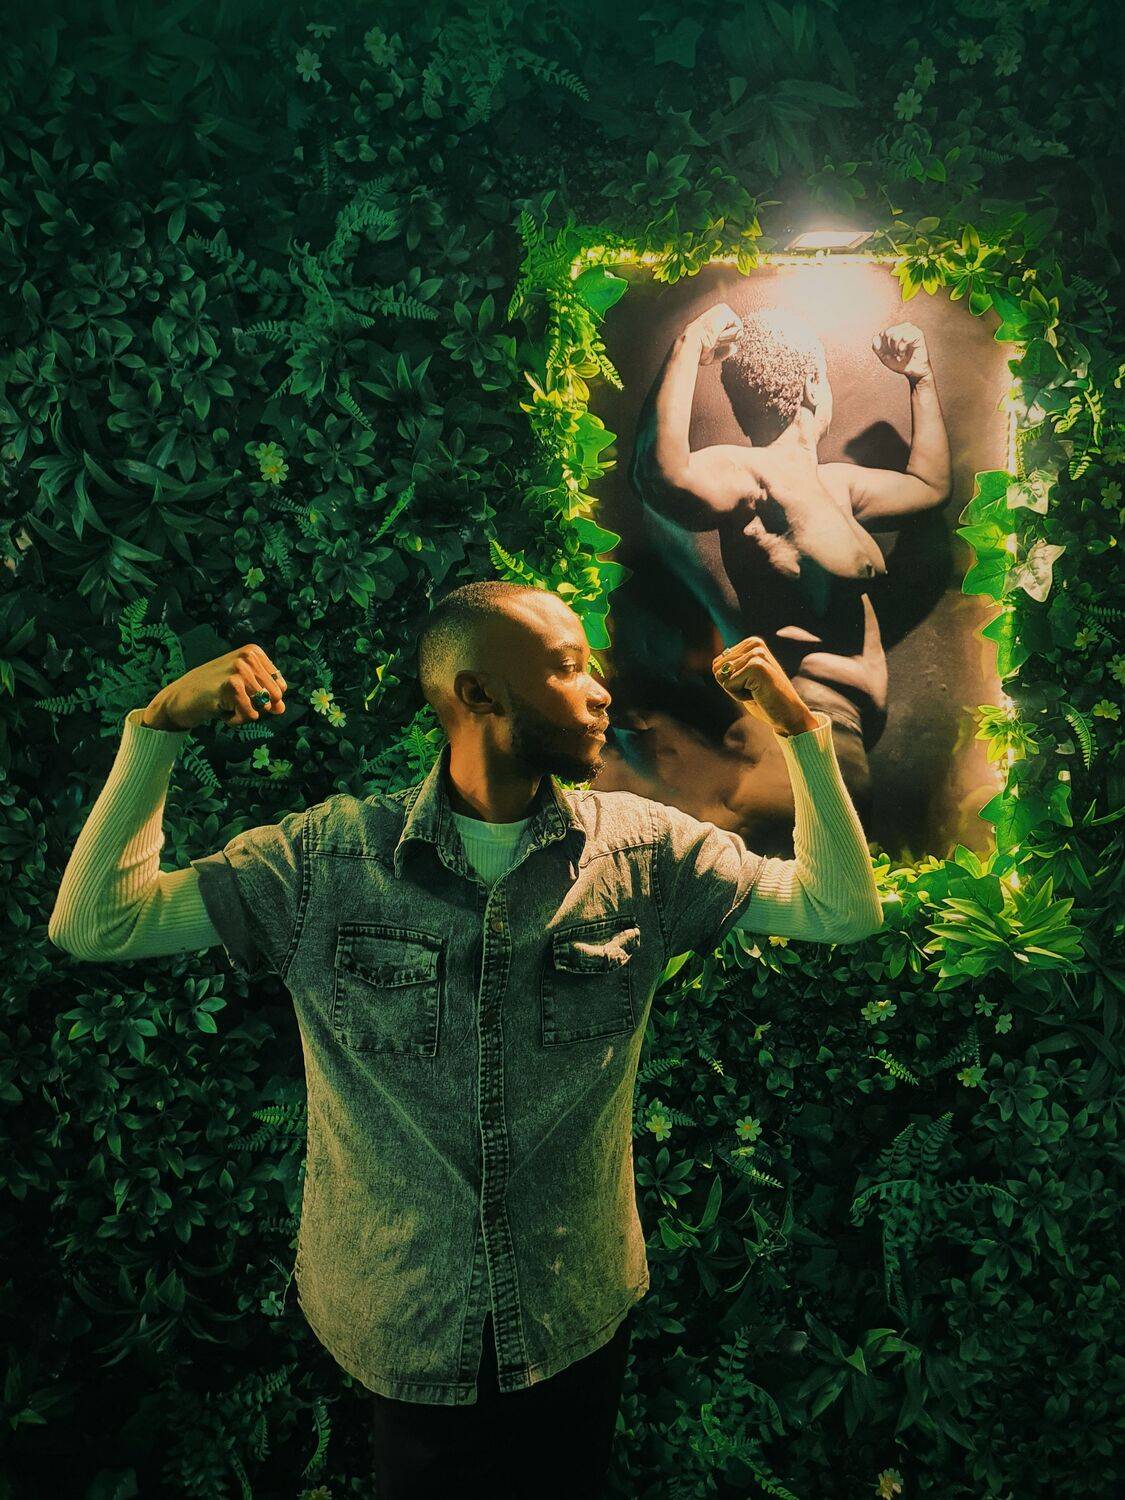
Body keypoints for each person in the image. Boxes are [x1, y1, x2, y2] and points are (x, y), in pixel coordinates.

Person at [47, 581, 883, 1497]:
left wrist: (798, 729)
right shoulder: (328, 860)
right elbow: (97, 924)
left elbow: (839, 910)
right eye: (567, 668)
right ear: (478, 693)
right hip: (407, 1316)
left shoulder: (645, 855)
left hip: (573, 1309)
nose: (599, 690)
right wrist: (158, 728)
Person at [627, 301, 952, 832]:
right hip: (803, 735)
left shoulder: (837, 486)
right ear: (813, 384)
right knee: (827, 882)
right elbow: (659, 476)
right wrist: (690, 342)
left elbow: (929, 487)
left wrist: (921, 378)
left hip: (839, 736)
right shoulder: (746, 474)